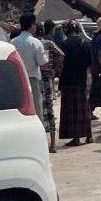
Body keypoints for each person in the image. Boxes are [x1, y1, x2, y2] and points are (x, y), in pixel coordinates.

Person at [11, 14, 49, 130]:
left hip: (16, 81)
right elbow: (43, 64)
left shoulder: (12, 42)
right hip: (32, 80)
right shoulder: (36, 43)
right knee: (37, 111)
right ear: (32, 26)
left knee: (19, 110)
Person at [58, 21, 94, 146]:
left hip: (68, 81)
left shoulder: (64, 44)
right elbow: (90, 64)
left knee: (71, 111)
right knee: (84, 109)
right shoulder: (85, 43)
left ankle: (76, 138)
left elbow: (60, 64)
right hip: (82, 80)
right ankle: (89, 136)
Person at [36, 24, 63, 153]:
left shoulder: (34, 44)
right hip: (47, 79)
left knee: (37, 111)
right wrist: (55, 70)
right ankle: (52, 145)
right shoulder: (49, 44)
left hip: (34, 80)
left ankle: (40, 144)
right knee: (49, 110)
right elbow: (61, 55)